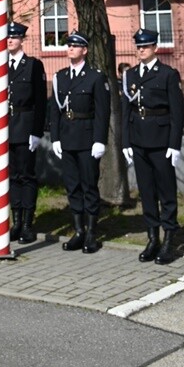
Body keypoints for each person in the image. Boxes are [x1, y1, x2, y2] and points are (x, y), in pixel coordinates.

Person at [120, 28, 184, 265]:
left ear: (155, 48)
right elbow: (126, 111)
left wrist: (174, 144)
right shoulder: (130, 75)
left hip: (161, 140)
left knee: (166, 191)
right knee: (146, 191)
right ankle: (152, 238)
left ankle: (169, 239)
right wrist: (126, 141)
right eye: (138, 47)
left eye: (145, 46)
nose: (141, 50)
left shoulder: (167, 74)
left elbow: (177, 113)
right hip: (138, 140)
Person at [49, 31, 110, 254]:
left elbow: (102, 112)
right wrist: (55, 137)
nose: (70, 49)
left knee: (89, 186)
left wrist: (99, 140)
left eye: (75, 46)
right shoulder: (61, 77)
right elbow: (54, 110)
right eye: (69, 46)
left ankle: (92, 233)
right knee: (72, 186)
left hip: (86, 139)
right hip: (67, 138)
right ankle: (79, 231)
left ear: (84, 50)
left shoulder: (95, 77)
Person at [6, 21, 47, 242]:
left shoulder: (33, 65)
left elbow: (40, 101)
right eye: (7, 37)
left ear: (22, 40)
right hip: (7, 128)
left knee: (26, 176)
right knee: (13, 177)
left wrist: (36, 131)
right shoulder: (1, 66)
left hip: (25, 126)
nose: (10, 40)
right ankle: (17, 222)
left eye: (14, 37)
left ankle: (28, 224)